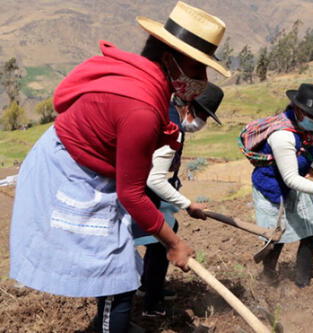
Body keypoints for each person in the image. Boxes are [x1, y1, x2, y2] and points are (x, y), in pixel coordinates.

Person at [9, 2, 230, 332]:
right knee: (118, 279)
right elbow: (132, 194)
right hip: (70, 174)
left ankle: (113, 324)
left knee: (117, 263)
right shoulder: (141, 108)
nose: (202, 79)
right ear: (170, 59)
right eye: (197, 68)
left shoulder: (144, 80)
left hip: (87, 167)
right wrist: (173, 243)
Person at [239, 83, 313, 288]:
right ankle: (269, 278)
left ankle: (302, 282)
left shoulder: (308, 129)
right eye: (312, 117)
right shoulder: (282, 135)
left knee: (312, 231)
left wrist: (311, 168)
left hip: (297, 184)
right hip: (272, 188)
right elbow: (289, 178)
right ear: (298, 110)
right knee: (277, 238)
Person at [133, 83, 224, 317]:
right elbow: (155, 179)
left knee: (166, 232)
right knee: (162, 238)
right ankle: (151, 304)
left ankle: (149, 287)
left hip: (137, 184)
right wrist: (188, 204)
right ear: (189, 106)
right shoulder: (173, 125)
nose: (202, 122)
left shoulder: (165, 111)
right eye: (202, 115)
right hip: (139, 189)